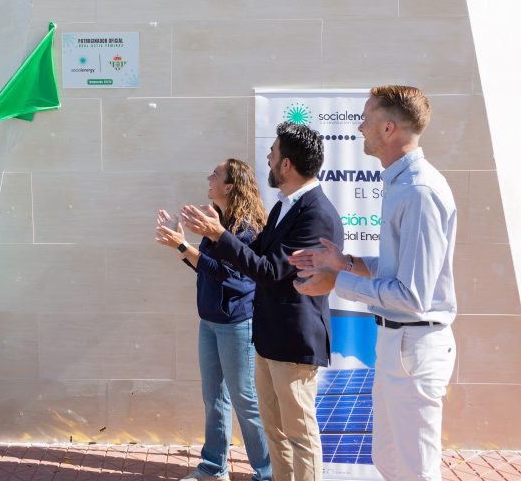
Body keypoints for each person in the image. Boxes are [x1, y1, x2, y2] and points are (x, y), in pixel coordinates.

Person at [290, 85, 457, 480]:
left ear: (387, 128)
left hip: (414, 345)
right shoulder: (402, 184)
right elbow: (401, 267)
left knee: (414, 470)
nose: (359, 126)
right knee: (389, 460)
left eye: (365, 118)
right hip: (398, 345)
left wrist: (336, 281)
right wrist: (346, 261)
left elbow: (413, 295)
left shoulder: (418, 191)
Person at [181, 123, 343, 481]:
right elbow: (255, 255)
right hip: (269, 336)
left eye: (273, 153)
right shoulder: (285, 206)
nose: (268, 159)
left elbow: (270, 270)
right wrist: (215, 234)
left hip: (294, 340)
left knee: (299, 435)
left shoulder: (315, 213)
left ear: (286, 164)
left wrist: (220, 235)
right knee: (276, 432)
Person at [156, 159, 272, 481]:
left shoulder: (246, 230)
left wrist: (184, 245)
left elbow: (231, 278)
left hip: (236, 325)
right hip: (209, 322)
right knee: (214, 397)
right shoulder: (215, 221)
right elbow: (206, 267)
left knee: (245, 401)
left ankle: (267, 473)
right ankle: (213, 467)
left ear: (230, 186)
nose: (209, 178)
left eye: (215, 175)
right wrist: (181, 245)